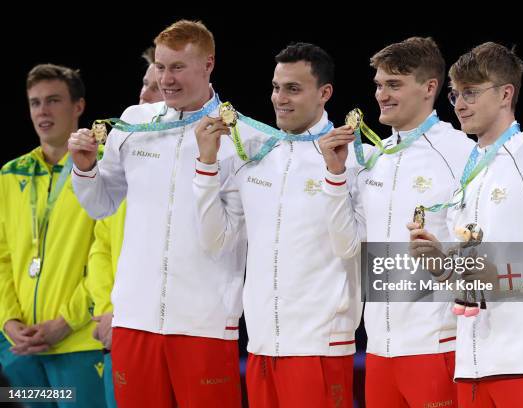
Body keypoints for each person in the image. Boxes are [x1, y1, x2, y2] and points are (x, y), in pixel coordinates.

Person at [68, 20, 248, 407]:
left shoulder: (242, 138)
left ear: (208, 64)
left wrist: (208, 162)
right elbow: (102, 204)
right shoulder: (133, 123)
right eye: (162, 67)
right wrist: (84, 169)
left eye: (178, 67)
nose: (167, 79)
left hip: (205, 322)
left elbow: (229, 238)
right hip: (134, 319)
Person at [409, 42, 523, 408]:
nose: (459, 104)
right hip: (471, 364)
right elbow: (473, 272)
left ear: (505, 94)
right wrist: (440, 264)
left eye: (471, 93)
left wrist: (505, 276)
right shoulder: (468, 174)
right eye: (455, 94)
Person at [193, 42, 361, 407]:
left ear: (325, 93)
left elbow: (354, 248)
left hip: (321, 347)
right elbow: (216, 241)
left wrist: (335, 174)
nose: (279, 99)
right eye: (276, 87)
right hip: (260, 346)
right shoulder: (254, 158)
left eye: (293, 89)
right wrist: (206, 164)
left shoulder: (357, 159)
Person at [319, 36, 474, 408]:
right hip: (379, 350)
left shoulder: (462, 153)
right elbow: (347, 247)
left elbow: (482, 249)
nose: (381, 95)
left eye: (394, 84)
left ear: (429, 87)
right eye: (378, 85)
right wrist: (336, 175)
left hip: (438, 347)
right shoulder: (375, 159)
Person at [0, 63, 105, 408]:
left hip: (79, 344)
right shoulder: (11, 174)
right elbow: (2, 256)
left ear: (78, 106)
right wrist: (8, 319)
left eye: (53, 100)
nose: (42, 111)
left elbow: (109, 257)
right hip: (20, 348)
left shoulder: (102, 169)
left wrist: (66, 322)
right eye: (35, 102)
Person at [86, 46, 164, 408]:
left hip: (151, 328)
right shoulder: (116, 169)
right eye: (144, 84)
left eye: (154, 87)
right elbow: (100, 247)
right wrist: (106, 309)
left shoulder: (204, 162)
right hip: (109, 328)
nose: (143, 95)